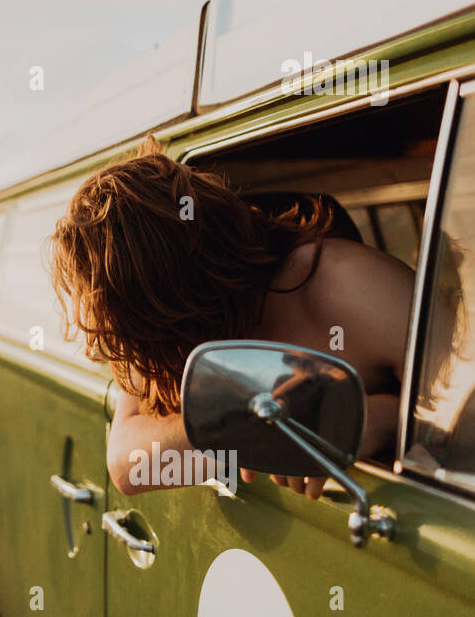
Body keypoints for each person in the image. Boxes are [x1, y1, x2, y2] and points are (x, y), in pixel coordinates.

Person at [49, 135, 412, 499]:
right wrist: (253, 422)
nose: (106, 355)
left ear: (171, 307)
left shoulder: (350, 284)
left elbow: (467, 417)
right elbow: (128, 466)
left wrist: (371, 419)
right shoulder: (161, 333)